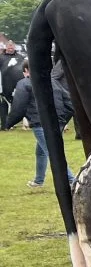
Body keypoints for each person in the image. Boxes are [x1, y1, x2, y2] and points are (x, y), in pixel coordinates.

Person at [2, 58, 77, 187]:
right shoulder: (53, 82)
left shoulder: (24, 83)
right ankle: (38, 180)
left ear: (26, 70)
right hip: (57, 123)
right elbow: (70, 103)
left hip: (41, 123)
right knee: (41, 151)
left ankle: (73, 181)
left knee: (52, 153)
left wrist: (8, 123)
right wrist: (62, 121)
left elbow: (19, 106)